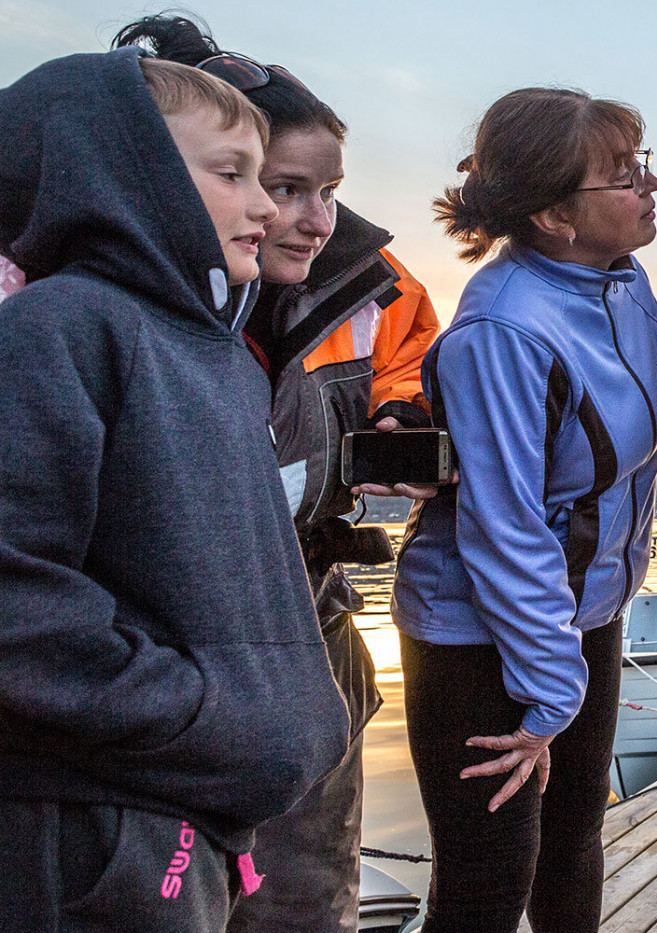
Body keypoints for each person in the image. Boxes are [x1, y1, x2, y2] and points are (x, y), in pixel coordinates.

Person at [0, 50, 349, 933]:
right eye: (232, 174)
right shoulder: (61, 328)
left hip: (196, 814)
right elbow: (14, 585)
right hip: (99, 824)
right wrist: (191, 713)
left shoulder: (220, 356)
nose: (268, 207)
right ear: (120, 174)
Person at [112, 16, 441, 932]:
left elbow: (413, 343)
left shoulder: (365, 280)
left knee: (305, 897)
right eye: (278, 186)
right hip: (169, 655)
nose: (305, 216)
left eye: (326, 189)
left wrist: (401, 415)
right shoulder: (108, 308)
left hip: (311, 620)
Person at [391, 87, 657, 932]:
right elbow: (504, 528)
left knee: (574, 841)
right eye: (624, 175)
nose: (650, 187)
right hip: (475, 635)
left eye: (643, 165)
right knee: (489, 877)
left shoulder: (623, 283)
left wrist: (579, 653)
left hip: (585, 610)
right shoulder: (504, 332)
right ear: (555, 213)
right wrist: (551, 696)